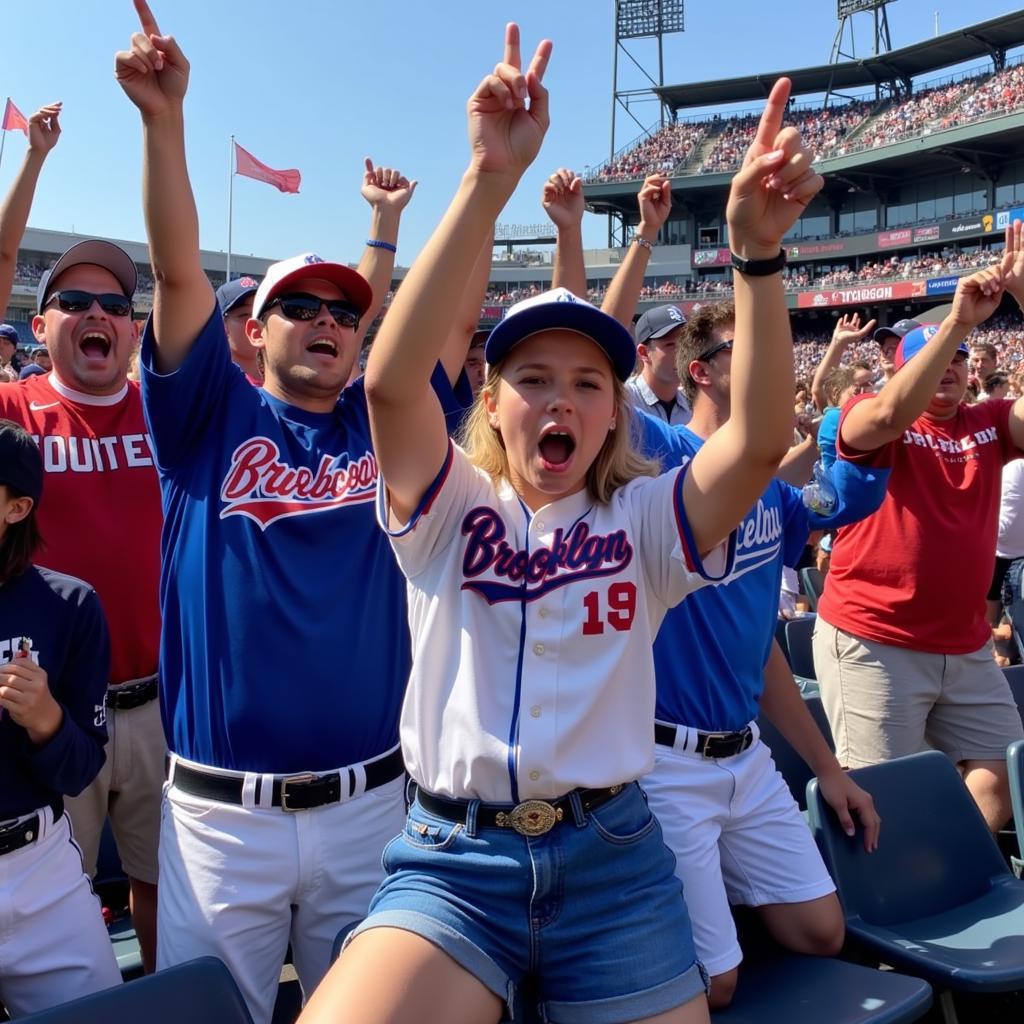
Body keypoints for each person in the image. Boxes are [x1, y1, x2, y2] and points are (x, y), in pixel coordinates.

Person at [301, 31, 821, 1024]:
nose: (561, 401)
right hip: (455, 859)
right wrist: (486, 179)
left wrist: (756, 255)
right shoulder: (448, 504)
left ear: (614, 410)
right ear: (491, 401)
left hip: (613, 856)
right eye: (532, 378)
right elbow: (387, 379)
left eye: (587, 383)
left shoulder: (645, 518)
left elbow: (757, 440)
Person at [115, 4, 468, 1020]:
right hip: (225, 819)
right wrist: (163, 121)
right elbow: (179, 268)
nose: (326, 322)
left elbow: (436, 326)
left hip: (371, 804)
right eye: (300, 308)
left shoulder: (381, 425)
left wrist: (450, 199)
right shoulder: (204, 416)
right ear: (252, 328)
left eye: (344, 313)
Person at [813, 225, 1024, 833]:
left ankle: (938, 870)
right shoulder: (866, 415)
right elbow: (883, 414)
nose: (952, 368)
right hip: (876, 640)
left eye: (960, 359)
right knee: (879, 805)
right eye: (938, 359)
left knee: (1000, 776)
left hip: (964, 648)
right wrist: (956, 323)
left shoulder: (989, 421)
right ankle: (889, 909)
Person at [0, 238, 165, 974]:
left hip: (164, 700)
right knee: (55, 892)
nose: (97, 314)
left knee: (166, 887)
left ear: (135, 330)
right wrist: (30, 165)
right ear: (39, 327)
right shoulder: (17, 409)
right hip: (50, 710)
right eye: (73, 301)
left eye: (117, 306)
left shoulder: (169, 411)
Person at [0, 419, 122, 1016]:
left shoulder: (69, 604)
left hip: (38, 865)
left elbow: (81, 769)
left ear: (17, 507)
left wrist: (47, 720)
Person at [215, 275, 261, 383]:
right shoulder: (215, 386)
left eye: (261, 313)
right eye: (245, 315)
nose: (256, 322)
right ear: (222, 324)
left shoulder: (288, 381)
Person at [872, 318, 920, 385]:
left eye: (895, 347)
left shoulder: (930, 388)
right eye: (883, 347)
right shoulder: (872, 389)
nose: (885, 353)